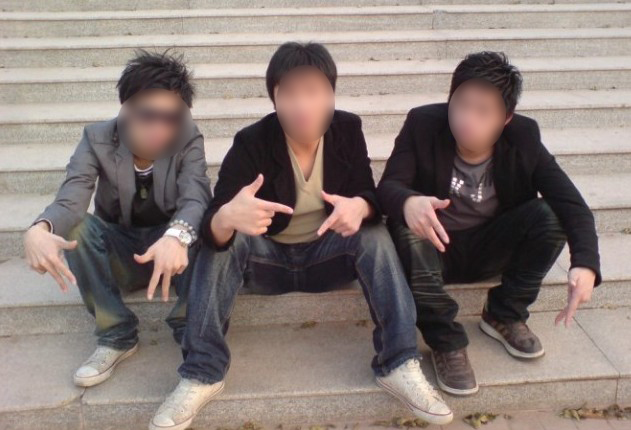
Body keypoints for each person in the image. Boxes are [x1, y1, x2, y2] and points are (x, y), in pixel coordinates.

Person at [149, 42, 453, 430]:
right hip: (267, 262)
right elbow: (212, 225)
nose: (302, 105)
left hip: (328, 257)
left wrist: (360, 206)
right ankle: (201, 372)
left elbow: (369, 193)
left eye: (313, 92)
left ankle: (399, 363)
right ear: (274, 98)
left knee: (374, 234)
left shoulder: (347, 130)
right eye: (289, 93)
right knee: (229, 238)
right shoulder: (252, 141)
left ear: (331, 95)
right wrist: (226, 217)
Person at [377, 51, 601, 397]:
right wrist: (408, 201)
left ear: (506, 118)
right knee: (405, 225)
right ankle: (445, 341)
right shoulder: (423, 124)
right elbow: (388, 187)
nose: (467, 119)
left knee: (550, 215)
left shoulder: (524, 137)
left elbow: (572, 205)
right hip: (433, 247)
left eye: (483, 111)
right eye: (461, 105)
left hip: (491, 246)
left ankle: (504, 313)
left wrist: (585, 263)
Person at [23, 50, 211, 388]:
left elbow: (196, 196)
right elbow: (72, 198)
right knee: (78, 228)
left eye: (172, 116)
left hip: (171, 257)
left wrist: (176, 236)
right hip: (120, 249)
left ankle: (189, 324)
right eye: (148, 115)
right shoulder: (97, 138)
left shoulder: (187, 137)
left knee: (204, 224)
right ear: (126, 108)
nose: (160, 127)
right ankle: (116, 334)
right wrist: (40, 229)